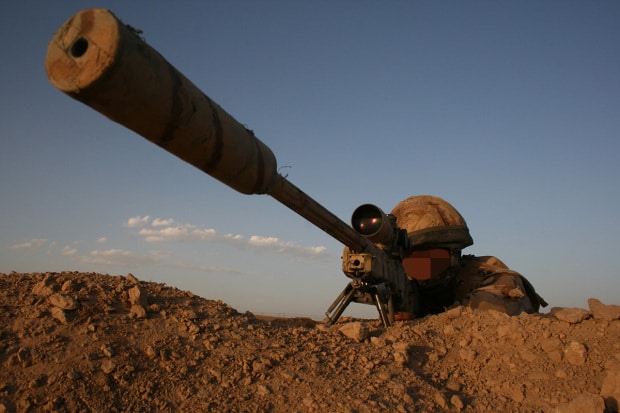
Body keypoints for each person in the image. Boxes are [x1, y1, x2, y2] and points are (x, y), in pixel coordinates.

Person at [391, 195, 547, 316]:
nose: (419, 265)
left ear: (454, 254)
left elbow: (493, 312)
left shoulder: (486, 275)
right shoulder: (405, 288)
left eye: (428, 255)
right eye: (408, 258)